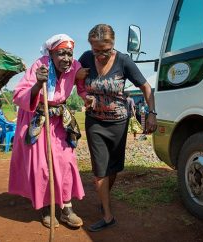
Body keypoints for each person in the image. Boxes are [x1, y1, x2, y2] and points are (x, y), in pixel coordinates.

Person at [77, 24, 157, 232]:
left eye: (106, 50)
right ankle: (108, 215)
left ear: (113, 44)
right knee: (100, 171)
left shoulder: (123, 60)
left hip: (119, 123)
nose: (102, 55)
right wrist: (80, 86)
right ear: (90, 47)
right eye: (97, 50)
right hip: (94, 121)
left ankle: (105, 199)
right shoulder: (85, 58)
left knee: (113, 168)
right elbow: (72, 81)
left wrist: (151, 113)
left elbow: (146, 87)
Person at [9, 34, 88, 229]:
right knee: (42, 166)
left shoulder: (75, 66)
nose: (66, 59)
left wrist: (87, 98)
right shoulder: (40, 65)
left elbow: (82, 87)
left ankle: (67, 209)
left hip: (59, 119)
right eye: (61, 54)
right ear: (51, 54)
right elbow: (19, 95)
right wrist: (37, 84)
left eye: (69, 54)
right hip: (36, 118)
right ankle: (46, 208)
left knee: (66, 161)